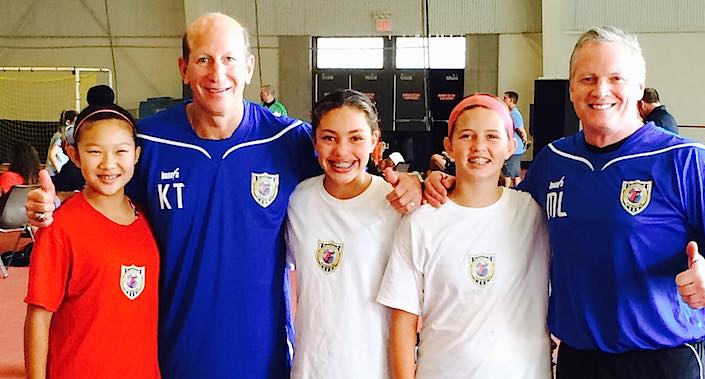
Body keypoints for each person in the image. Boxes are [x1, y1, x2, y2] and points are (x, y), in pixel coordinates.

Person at [26, 12, 421, 379]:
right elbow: (104, 195)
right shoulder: (148, 141)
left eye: (230, 59)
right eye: (203, 60)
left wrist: (419, 182)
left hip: (262, 357)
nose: (218, 74)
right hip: (169, 354)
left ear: (248, 67)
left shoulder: (290, 139)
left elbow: (348, 170)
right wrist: (51, 207)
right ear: (183, 68)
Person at [423, 26, 705, 379]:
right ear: (571, 88)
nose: (600, 90)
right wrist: (446, 183)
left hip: (663, 359)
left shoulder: (686, 161)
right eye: (587, 78)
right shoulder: (554, 160)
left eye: (616, 78)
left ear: (639, 88)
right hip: (580, 360)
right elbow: (499, 212)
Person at [377, 94, 551, 379]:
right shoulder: (421, 222)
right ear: (449, 146)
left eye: (492, 137)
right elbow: (403, 322)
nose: (479, 147)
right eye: (467, 136)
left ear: (511, 147)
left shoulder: (532, 212)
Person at [23, 102, 160, 378]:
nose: (108, 164)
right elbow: (39, 317)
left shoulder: (147, 218)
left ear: (136, 155)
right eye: (94, 151)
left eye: (121, 151)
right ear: (74, 155)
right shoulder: (60, 228)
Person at [285, 89, 401, 378]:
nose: (341, 152)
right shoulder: (298, 200)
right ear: (314, 142)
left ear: (375, 140)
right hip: (312, 367)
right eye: (329, 137)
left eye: (356, 138)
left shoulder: (397, 203)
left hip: (376, 368)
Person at [501, 91, 528, 187]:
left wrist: (524, 140)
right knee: (516, 175)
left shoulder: (513, 114)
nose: (503, 100)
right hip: (517, 149)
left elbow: (521, 130)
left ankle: (506, 193)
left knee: (508, 176)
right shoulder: (513, 113)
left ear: (511, 100)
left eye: (505, 98)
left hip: (514, 150)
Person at [45, 110, 75, 177]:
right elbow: (51, 155)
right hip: (54, 173)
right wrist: (59, 171)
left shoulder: (62, 135)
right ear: (68, 122)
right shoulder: (60, 136)